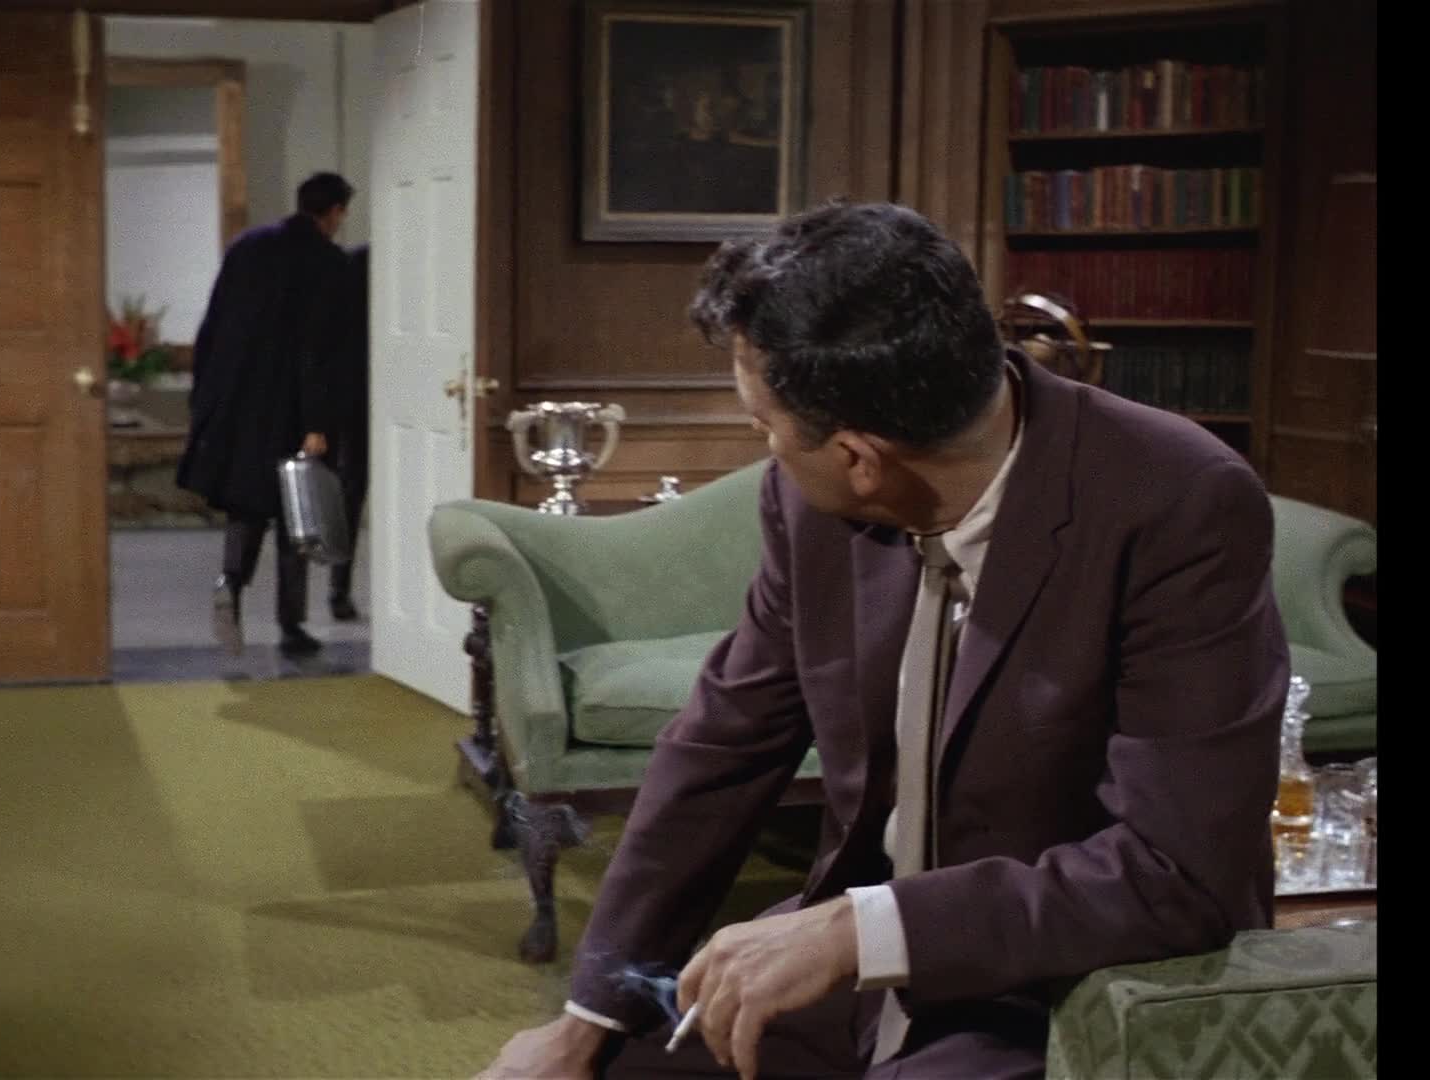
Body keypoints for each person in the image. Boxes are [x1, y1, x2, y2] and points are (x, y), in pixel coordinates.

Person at [476, 201, 1289, 1079]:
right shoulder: (809, 503)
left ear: (859, 458)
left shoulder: (1177, 501)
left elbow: (1176, 874)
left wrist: (865, 931)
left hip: (1056, 992)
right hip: (852, 975)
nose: (766, 449)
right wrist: (588, 1018)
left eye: (764, 425)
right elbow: (721, 749)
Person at [177, 171, 357, 657]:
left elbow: (212, 325)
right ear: (334, 212)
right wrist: (317, 422)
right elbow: (319, 349)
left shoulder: (247, 247)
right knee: (296, 515)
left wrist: (204, 399)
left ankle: (230, 582)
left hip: (237, 402)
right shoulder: (329, 264)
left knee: (247, 503)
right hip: (292, 407)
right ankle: (291, 627)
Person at [322, 241, 369, 622]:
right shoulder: (357, 264)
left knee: (350, 490)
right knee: (350, 491)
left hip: (353, 392)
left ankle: (340, 588)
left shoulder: (353, 262)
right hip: (356, 394)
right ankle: (339, 587)